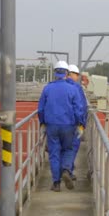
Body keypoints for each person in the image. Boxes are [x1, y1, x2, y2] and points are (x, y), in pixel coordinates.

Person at [38, 61, 85, 192]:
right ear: (66, 73)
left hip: (51, 125)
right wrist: (80, 124)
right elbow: (79, 109)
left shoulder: (47, 88)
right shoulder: (73, 89)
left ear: (55, 73)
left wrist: (42, 123)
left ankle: (56, 183)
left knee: (54, 153)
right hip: (68, 125)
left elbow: (41, 108)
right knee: (68, 149)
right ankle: (66, 169)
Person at [66, 64, 88, 180]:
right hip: (73, 123)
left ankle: (59, 174)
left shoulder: (56, 86)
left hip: (59, 123)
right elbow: (82, 106)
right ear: (71, 74)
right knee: (72, 147)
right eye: (76, 74)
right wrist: (82, 123)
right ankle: (68, 170)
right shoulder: (77, 88)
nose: (77, 77)